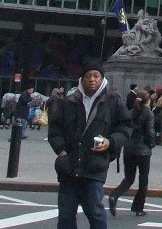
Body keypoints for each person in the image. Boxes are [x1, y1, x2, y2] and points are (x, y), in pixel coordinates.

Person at [48, 60, 131, 229]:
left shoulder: (113, 101)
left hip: (95, 165)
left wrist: (111, 142)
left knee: (94, 211)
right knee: (66, 214)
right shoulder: (69, 101)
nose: (92, 79)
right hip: (69, 164)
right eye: (88, 76)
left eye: (96, 76)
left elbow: (126, 126)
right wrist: (61, 151)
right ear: (82, 79)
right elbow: (55, 128)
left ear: (102, 79)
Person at [109, 87, 153, 217]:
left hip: (128, 149)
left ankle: (114, 195)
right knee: (143, 180)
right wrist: (151, 144)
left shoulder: (130, 112)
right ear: (148, 100)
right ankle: (138, 208)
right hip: (143, 150)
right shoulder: (148, 113)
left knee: (128, 178)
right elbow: (150, 132)